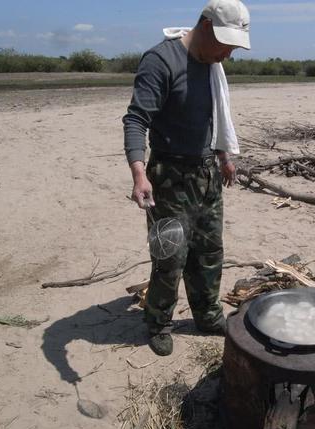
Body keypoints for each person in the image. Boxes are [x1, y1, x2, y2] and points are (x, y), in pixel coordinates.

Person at [123, 0, 251, 356]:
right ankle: (159, 322)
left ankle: (207, 315)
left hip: (207, 173)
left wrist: (223, 156)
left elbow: (211, 118)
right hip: (169, 177)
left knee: (209, 250)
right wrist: (138, 173)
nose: (228, 54)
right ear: (206, 25)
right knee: (170, 257)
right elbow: (136, 120)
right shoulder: (161, 61)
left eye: (234, 47)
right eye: (225, 44)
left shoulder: (212, 66)